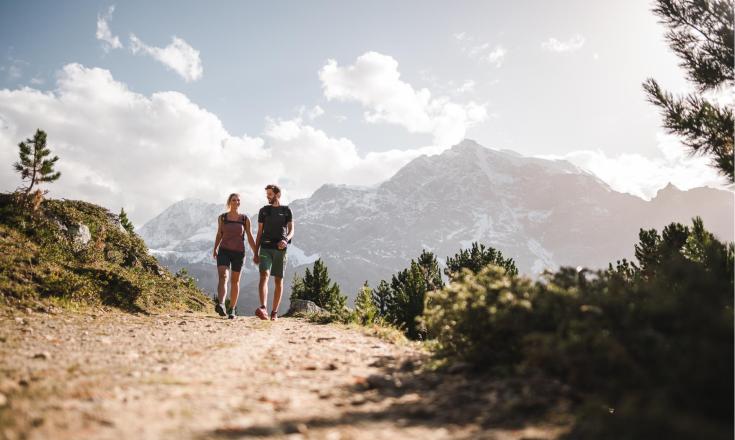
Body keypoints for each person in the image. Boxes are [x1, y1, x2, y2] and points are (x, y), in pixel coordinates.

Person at [253, 184, 294, 321]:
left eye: (269, 194)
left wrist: (286, 240)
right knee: (264, 275)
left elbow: (291, 230)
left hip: (281, 249)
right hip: (265, 247)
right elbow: (259, 232)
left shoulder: (287, 210)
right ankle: (263, 308)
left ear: (277, 195)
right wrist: (255, 252)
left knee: (278, 280)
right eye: (267, 194)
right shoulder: (263, 211)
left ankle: (274, 312)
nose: (267, 197)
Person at [213, 193, 256, 319]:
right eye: (233, 200)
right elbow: (219, 234)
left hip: (239, 253)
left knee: (235, 281)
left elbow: (249, 236)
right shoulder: (222, 218)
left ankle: (232, 309)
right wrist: (215, 248)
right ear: (229, 202)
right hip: (224, 251)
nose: (236, 202)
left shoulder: (244, 219)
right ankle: (221, 304)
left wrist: (255, 253)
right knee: (223, 276)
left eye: (238, 200)